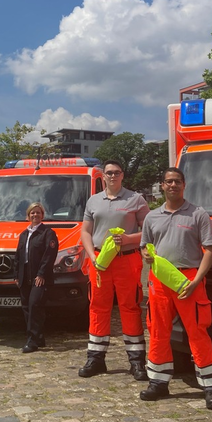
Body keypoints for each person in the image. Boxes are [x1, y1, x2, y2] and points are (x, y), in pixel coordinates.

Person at [139, 167, 212, 410]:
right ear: (162, 186)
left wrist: (196, 281)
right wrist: (146, 254)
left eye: (177, 181)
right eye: (168, 182)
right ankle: (158, 382)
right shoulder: (152, 217)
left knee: (197, 331)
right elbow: (146, 245)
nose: (172, 185)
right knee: (157, 331)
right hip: (160, 281)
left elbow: (211, 250)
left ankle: (211, 387)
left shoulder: (198, 214)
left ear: (184, 185)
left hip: (189, 280)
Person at [79, 160, 150, 380]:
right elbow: (86, 232)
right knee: (97, 307)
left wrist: (129, 238)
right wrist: (92, 256)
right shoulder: (93, 201)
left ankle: (136, 361)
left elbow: (151, 229)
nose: (112, 176)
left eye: (116, 173)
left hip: (126, 260)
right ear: (104, 176)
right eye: (108, 173)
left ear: (122, 175)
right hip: (100, 261)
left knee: (130, 307)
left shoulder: (135, 199)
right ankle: (96, 359)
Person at [16, 202, 59, 353]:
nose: (35, 215)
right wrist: (17, 275)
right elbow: (18, 256)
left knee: (35, 305)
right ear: (28, 216)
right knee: (27, 307)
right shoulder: (23, 234)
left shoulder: (48, 233)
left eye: (38, 213)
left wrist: (41, 274)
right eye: (32, 213)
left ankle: (32, 340)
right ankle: (39, 337)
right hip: (24, 276)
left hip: (40, 276)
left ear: (42, 215)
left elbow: (49, 255)